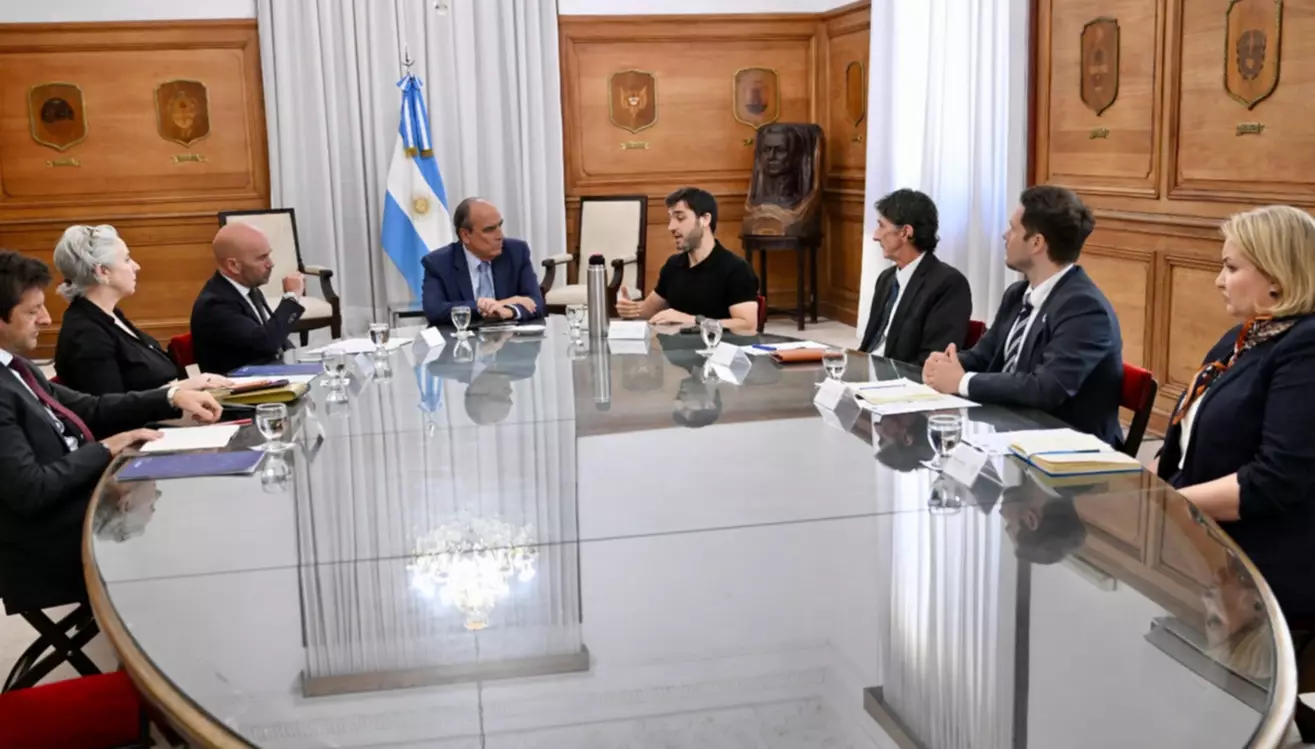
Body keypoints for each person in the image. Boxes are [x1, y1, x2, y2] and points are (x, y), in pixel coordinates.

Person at [0, 251, 221, 613]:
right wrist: (106, 448)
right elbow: (31, 489)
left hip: (84, 500)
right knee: (188, 527)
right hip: (43, 542)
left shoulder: (16, 365)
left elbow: (89, 406)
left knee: (197, 495)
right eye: (32, 311)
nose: (46, 319)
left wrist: (171, 396)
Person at [1156, 204, 1315, 628]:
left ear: (1276, 277)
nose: (1218, 280)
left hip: (1263, 562)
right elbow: (1186, 438)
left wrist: (1162, 502)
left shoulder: (1305, 348)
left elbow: (1274, 480)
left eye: (1231, 267)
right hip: (1207, 538)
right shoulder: (1244, 336)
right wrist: (1130, 481)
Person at [922, 185, 1123, 447]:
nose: (1005, 235)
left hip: (1065, 446)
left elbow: (1046, 388)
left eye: (1013, 229)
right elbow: (984, 355)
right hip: (1009, 430)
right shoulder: (1017, 294)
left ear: (1036, 243)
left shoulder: (1084, 308)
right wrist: (946, 364)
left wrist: (961, 382)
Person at [52, 224, 231, 394]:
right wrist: (180, 389)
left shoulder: (111, 315)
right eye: (126, 259)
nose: (136, 267)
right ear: (103, 272)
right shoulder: (86, 335)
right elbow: (110, 407)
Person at [616, 187, 760, 334]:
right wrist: (630, 309)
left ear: (705, 219)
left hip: (719, 348)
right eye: (670, 219)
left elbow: (747, 325)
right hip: (676, 347)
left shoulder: (736, 268)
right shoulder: (673, 265)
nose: (671, 227)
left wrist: (693, 321)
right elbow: (649, 310)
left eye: (680, 218)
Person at [858, 189, 972, 364]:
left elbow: (932, 360)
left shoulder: (949, 284)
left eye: (881, 226)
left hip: (901, 378)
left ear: (905, 232)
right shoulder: (886, 279)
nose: (875, 236)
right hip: (868, 368)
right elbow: (869, 345)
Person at [190, 222, 306, 375]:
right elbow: (266, 343)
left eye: (268, 255)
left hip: (269, 374)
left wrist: (300, 360)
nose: (270, 264)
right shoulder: (214, 305)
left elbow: (276, 340)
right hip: (240, 385)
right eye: (262, 258)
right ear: (233, 265)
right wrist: (291, 298)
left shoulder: (249, 289)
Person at [420, 198, 544, 326]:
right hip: (464, 336)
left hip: (510, 335)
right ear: (466, 235)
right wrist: (483, 306)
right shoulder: (438, 263)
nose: (500, 236)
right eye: (490, 230)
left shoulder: (516, 252)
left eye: (499, 225)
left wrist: (510, 310)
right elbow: (434, 310)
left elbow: (536, 302)